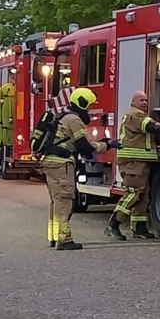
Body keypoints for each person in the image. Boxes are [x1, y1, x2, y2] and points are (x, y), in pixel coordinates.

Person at [41, 87, 120, 250]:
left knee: (56, 201)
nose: (90, 110)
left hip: (52, 163)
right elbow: (85, 147)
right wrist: (108, 144)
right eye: (89, 106)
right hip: (61, 165)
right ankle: (64, 239)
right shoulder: (73, 120)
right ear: (82, 104)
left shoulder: (63, 116)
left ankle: (54, 236)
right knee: (64, 200)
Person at [105, 90, 160, 240]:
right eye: (141, 100)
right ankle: (113, 224)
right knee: (134, 192)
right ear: (134, 102)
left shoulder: (137, 115)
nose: (144, 103)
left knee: (142, 196)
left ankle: (139, 229)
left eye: (146, 100)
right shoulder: (135, 115)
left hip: (139, 161)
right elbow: (153, 127)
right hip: (133, 162)